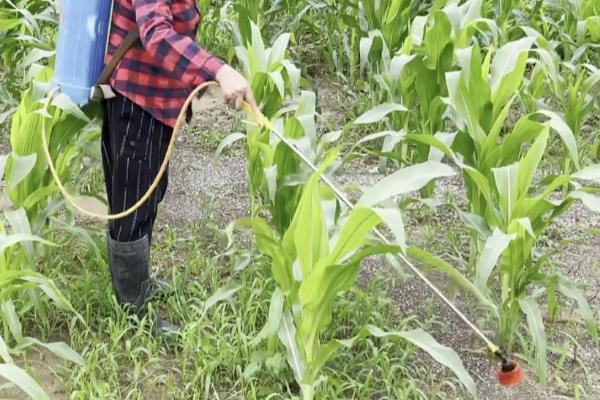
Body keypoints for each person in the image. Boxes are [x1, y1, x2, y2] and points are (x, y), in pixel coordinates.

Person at [102, 0, 257, 334]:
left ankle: (138, 282)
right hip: (139, 101)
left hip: (159, 99)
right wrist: (219, 70)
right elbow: (156, 33)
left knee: (151, 191)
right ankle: (133, 312)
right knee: (133, 206)